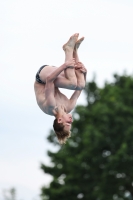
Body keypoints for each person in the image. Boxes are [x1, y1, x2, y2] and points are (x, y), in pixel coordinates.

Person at [34, 33, 87, 144]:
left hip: (42, 77)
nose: (71, 121)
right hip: (55, 78)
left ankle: (68, 49)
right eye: (70, 124)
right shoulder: (69, 106)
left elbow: (49, 80)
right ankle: (75, 50)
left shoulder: (50, 106)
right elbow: (80, 89)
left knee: (72, 83)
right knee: (80, 84)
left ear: (59, 120)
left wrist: (65, 65)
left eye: (67, 123)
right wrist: (84, 72)